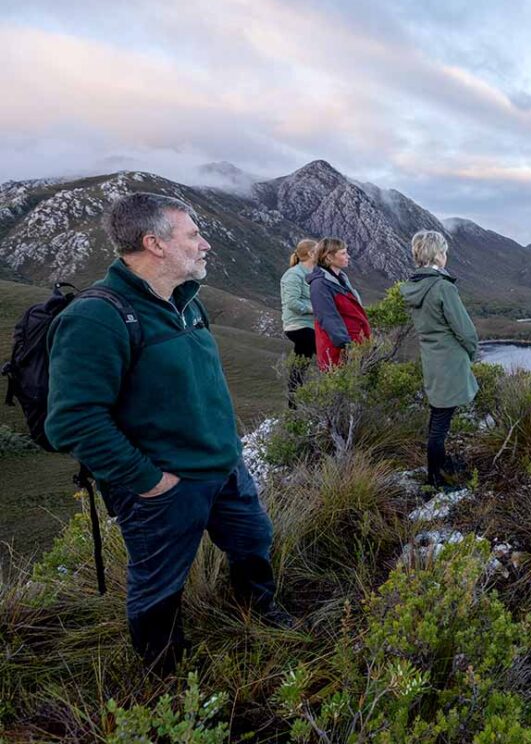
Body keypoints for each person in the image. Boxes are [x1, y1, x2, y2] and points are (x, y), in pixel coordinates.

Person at [45, 192, 291, 675]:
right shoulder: (97, 317)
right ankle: (166, 675)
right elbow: (73, 420)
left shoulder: (184, 301)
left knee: (254, 543)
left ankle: (258, 614)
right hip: (164, 486)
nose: (205, 245)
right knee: (159, 585)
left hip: (224, 469)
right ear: (155, 243)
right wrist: (150, 481)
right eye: (193, 235)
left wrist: (229, 452)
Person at [400, 229, 479, 489]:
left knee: (437, 415)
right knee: (440, 423)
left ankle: (439, 466)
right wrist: (471, 352)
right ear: (438, 254)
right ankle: (436, 479)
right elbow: (465, 331)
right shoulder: (443, 287)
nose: (446, 256)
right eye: (444, 251)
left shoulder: (415, 286)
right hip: (450, 361)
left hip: (432, 359)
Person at [307, 237, 371, 370]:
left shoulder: (341, 279)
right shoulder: (320, 285)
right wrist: (347, 346)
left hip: (355, 345)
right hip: (338, 352)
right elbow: (328, 317)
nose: (348, 256)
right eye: (343, 253)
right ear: (329, 257)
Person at [280, 239, 317, 405]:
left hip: (310, 325)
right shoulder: (293, 275)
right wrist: (316, 308)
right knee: (325, 351)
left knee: (302, 359)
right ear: (310, 253)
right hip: (298, 325)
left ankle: (294, 401)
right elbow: (293, 303)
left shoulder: (314, 273)